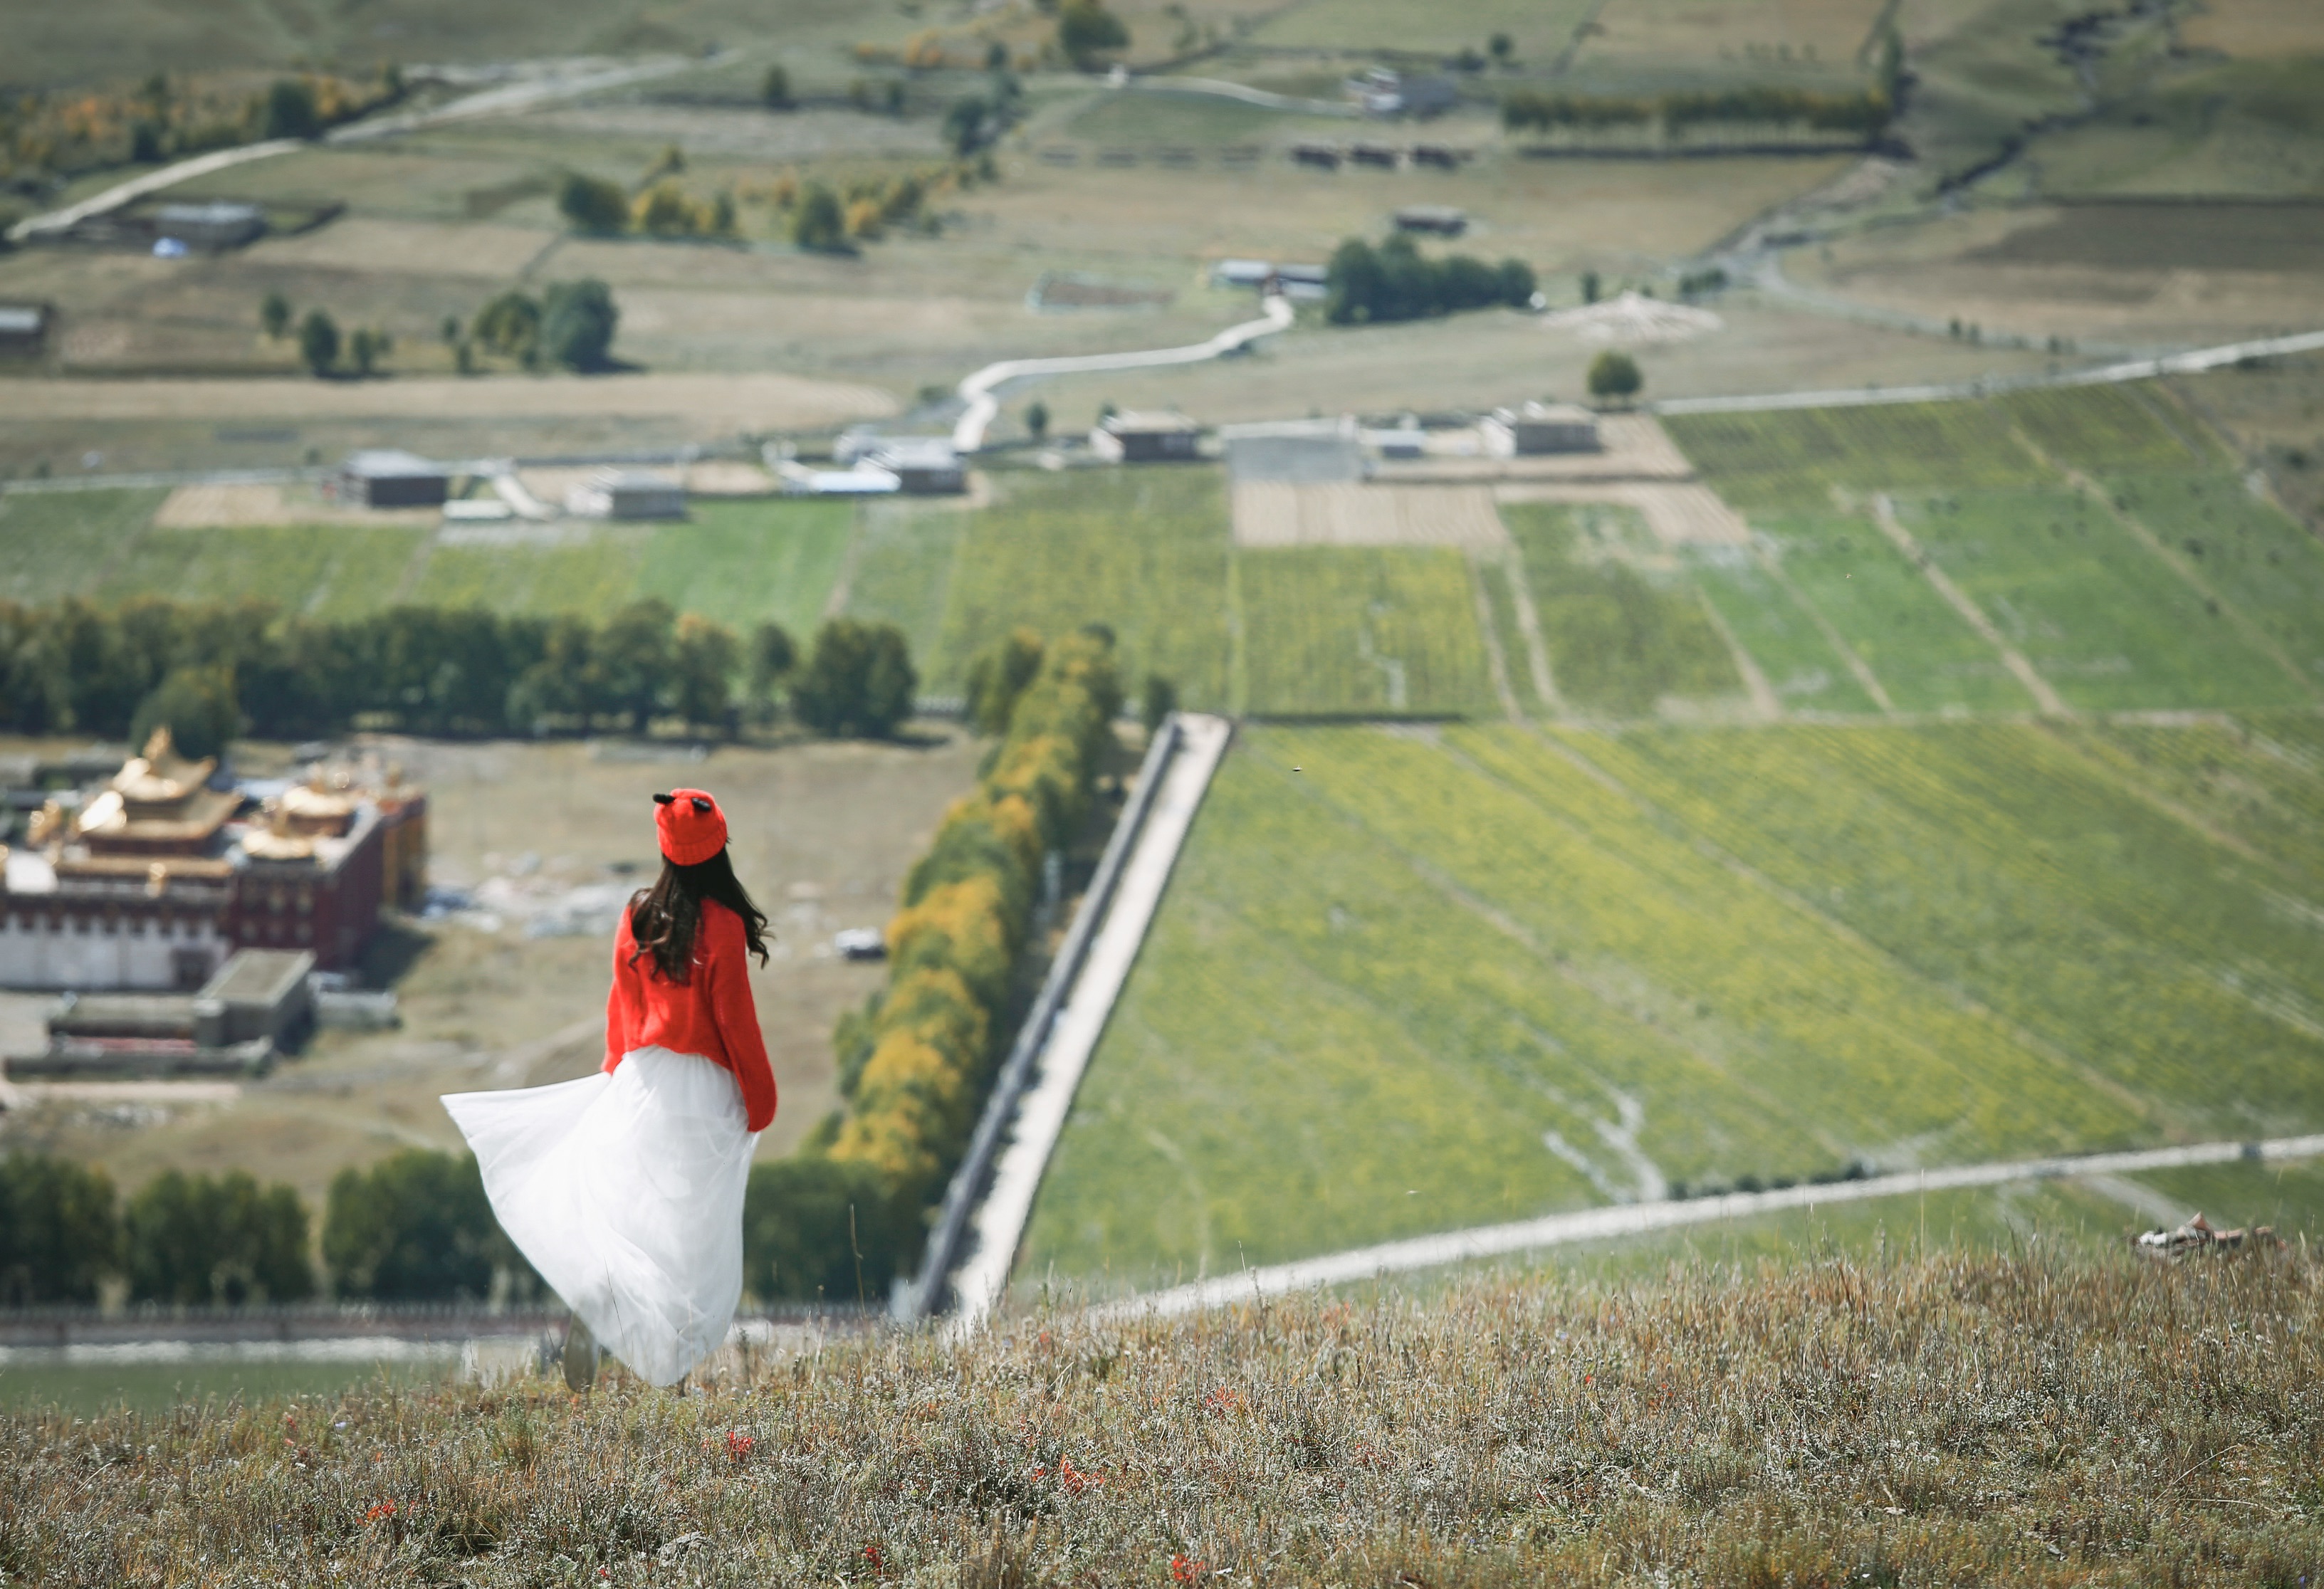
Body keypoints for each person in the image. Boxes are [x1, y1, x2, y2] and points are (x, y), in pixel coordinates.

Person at [442, 788, 776, 1389]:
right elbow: (735, 1024)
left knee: (634, 1215)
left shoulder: (637, 915)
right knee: (690, 1234)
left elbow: (621, 1011)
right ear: (718, 847)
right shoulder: (722, 926)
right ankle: (669, 1370)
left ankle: (601, 1308)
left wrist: (612, 1078)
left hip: (640, 1081)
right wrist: (760, 1099)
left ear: (664, 848)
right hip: (699, 1092)